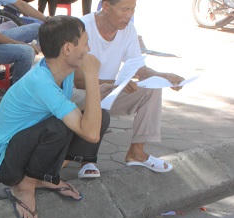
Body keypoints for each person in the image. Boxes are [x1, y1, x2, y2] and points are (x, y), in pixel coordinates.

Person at [0, 16, 110, 218]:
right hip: (6, 164)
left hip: (24, 149)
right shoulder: (41, 81)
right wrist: (92, 75)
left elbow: (88, 123)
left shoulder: (63, 72)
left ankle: (43, 177)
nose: (89, 49)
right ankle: (24, 186)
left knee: (101, 116)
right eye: (85, 43)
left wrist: (100, 90)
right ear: (68, 49)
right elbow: (91, 134)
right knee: (59, 127)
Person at [75, 0, 185, 173]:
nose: (129, 15)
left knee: (152, 89)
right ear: (106, 6)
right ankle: (87, 161)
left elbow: (137, 67)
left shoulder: (128, 30)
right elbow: (76, 81)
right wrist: (113, 84)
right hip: (79, 93)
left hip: (108, 92)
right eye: (125, 9)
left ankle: (136, 153)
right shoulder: (82, 27)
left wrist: (163, 76)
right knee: (99, 99)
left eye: (133, 9)